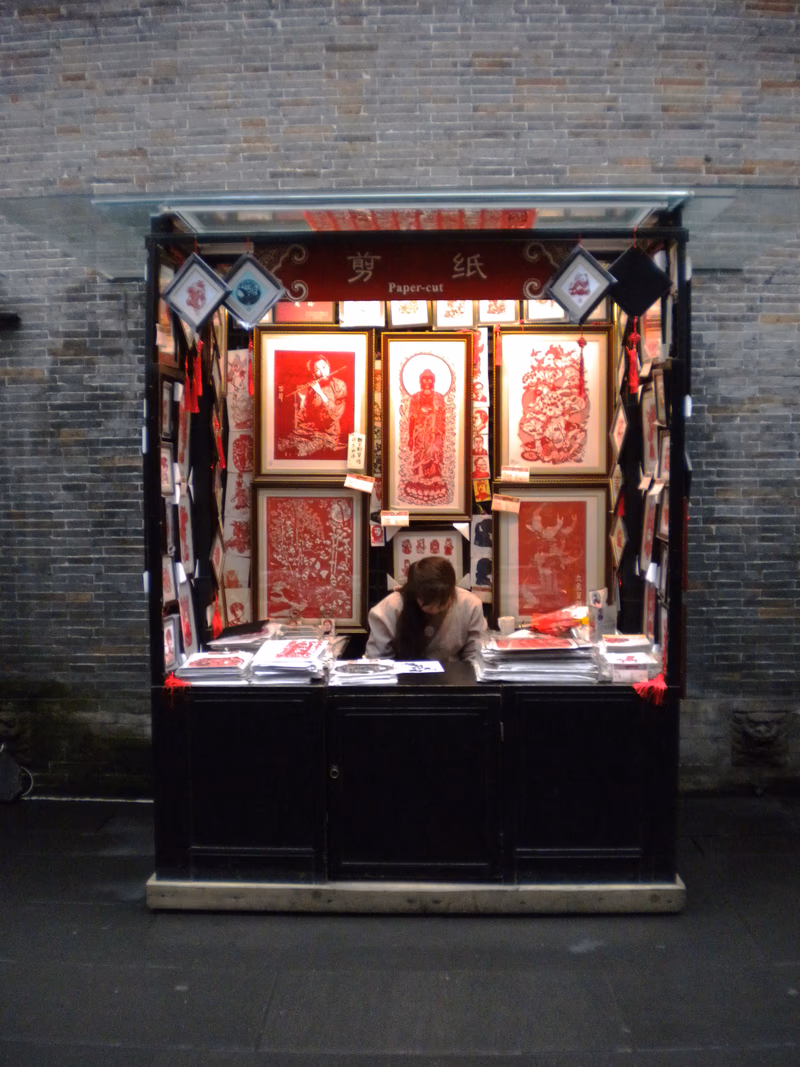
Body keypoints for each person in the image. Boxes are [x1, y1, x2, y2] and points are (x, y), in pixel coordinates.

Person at [365, 556, 487, 663]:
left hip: (454, 681)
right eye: (428, 602)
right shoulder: (388, 610)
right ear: (415, 594)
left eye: (442, 602)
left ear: (452, 591)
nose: (435, 608)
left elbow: (475, 659)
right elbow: (378, 663)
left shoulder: (470, 605)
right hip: (400, 683)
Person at [281, 356, 347, 456]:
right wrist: (302, 401)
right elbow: (301, 420)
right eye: (318, 370)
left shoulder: (339, 385)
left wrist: (320, 393)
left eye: (324, 367)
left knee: (300, 450)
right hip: (310, 431)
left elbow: (334, 415)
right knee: (282, 444)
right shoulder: (312, 388)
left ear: (329, 366)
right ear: (314, 374)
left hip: (328, 434)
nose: (323, 372)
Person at [402, 369, 447, 503]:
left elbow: (442, 416)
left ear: (433, 381)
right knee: (420, 454)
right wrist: (410, 437)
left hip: (434, 433)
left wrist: (439, 430)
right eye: (424, 379)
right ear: (420, 381)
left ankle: (434, 478)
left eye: (429, 379)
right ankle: (419, 478)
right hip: (420, 433)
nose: (427, 382)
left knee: (433, 455)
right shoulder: (415, 397)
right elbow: (412, 418)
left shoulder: (439, 397)